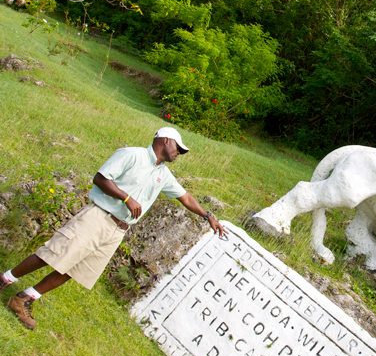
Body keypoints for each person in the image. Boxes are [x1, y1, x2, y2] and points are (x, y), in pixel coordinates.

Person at [0, 127, 227, 330]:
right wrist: (126, 197)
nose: (179, 153)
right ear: (165, 140)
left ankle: (24, 299)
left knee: (75, 270)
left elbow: (185, 197)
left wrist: (209, 216)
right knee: (55, 253)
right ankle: (5, 279)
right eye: (179, 147)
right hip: (99, 216)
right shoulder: (132, 155)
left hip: (119, 229)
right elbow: (100, 178)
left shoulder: (164, 175)